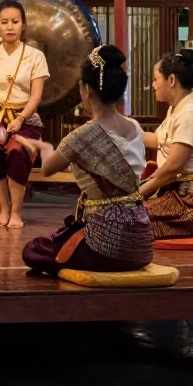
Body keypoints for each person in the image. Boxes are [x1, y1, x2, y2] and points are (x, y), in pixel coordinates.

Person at [20, 45, 153, 275]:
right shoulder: (135, 127)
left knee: (33, 250)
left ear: (88, 90)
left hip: (107, 244)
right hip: (141, 241)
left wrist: (44, 147)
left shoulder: (81, 137)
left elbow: (48, 169)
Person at [0, 0, 49, 230]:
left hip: (26, 118)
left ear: (23, 25)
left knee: (17, 149)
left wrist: (20, 119)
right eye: (4, 22)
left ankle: (16, 212)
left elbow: (36, 97)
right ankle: (3, 209)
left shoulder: (35, 56)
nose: (9, 26)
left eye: (15, 22)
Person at [140, 49, 193, 238]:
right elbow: (156, 140)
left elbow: (171, 169)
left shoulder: (190, 114)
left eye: (155, 79)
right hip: (178, 195)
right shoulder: (177, 110)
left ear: (171, 80)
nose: (153, 85)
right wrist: (118, 130)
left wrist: (137, 195)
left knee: (122, 219)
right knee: (115, 214)